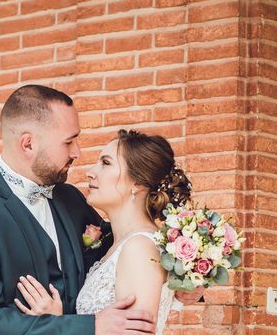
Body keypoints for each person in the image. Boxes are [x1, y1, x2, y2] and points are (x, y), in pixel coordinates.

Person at [0, 85, 157, 334]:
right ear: (28, 144)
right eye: (68, 142)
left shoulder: (71, 198)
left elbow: (127, 245)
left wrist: (184, 276)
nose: (77, 152)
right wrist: (89, 327)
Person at [14, 129, 200, 335]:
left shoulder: (139, 249)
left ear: (138, 183)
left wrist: (59, 324)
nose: (90, 172)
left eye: (106, 163)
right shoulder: (117, 243)